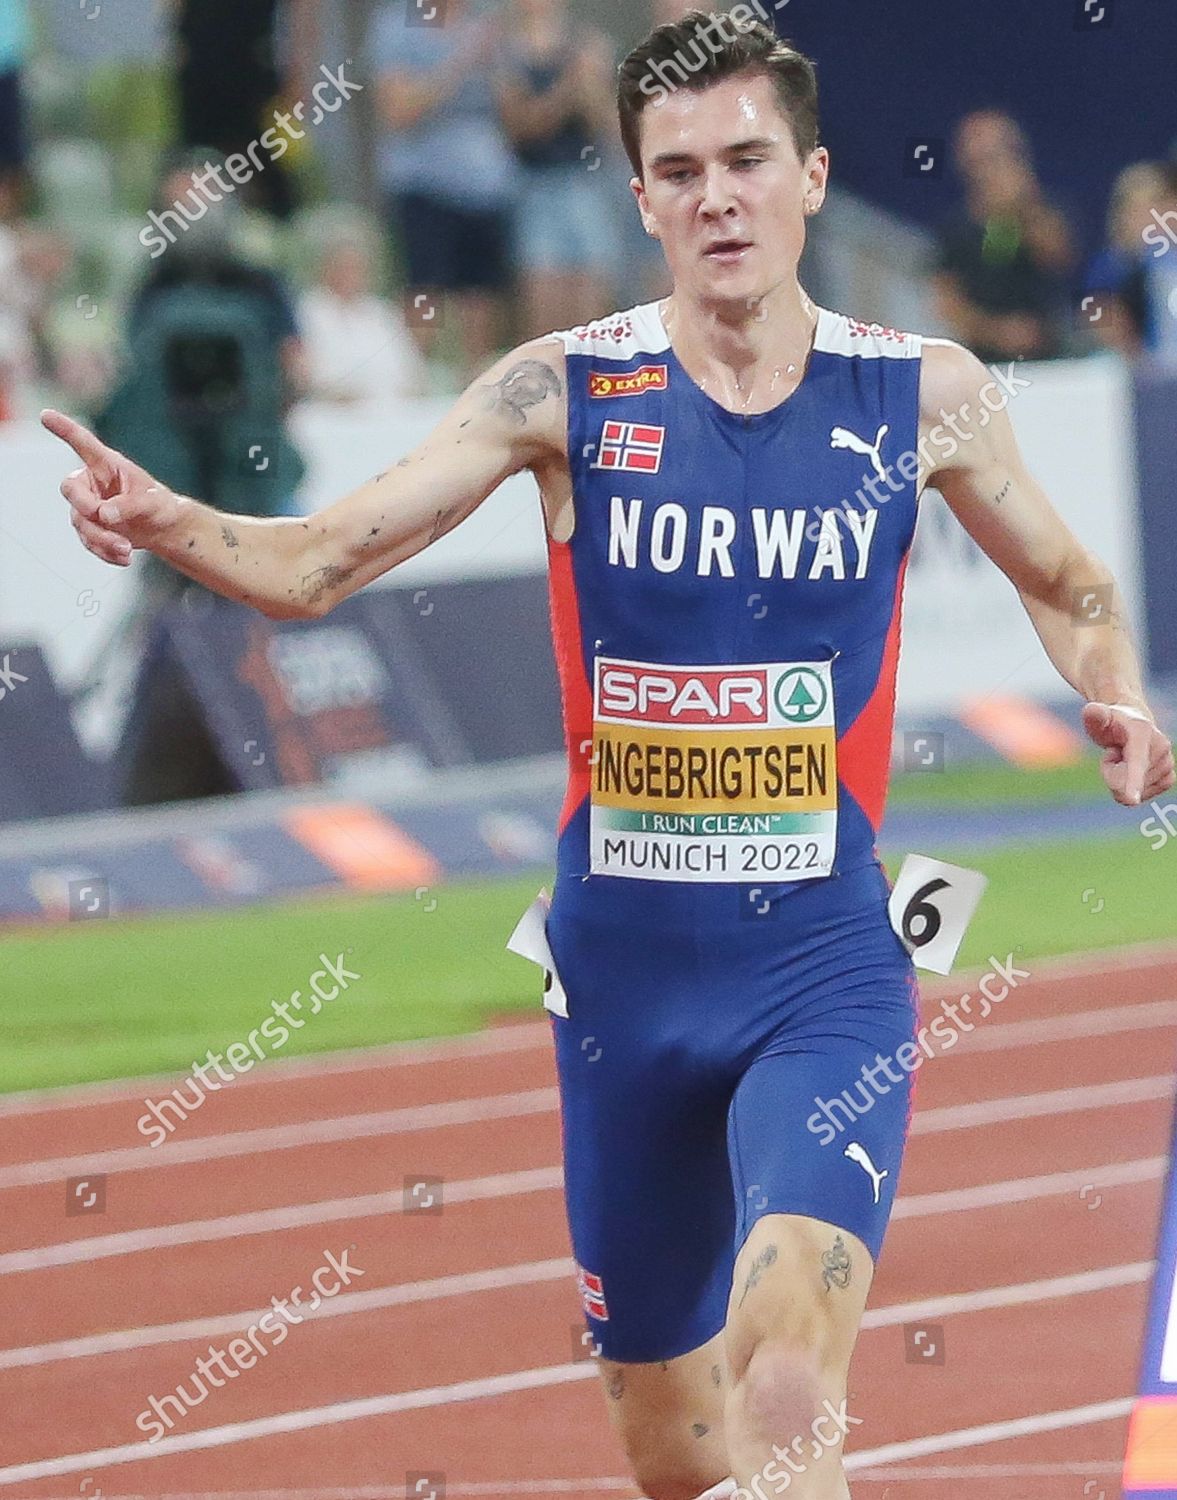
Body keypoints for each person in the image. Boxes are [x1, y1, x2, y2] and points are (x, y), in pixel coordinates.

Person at [44, 14, 1175, 1497]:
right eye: (681, 169)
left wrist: (1115, 690)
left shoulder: (921, 396)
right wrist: (166, 520)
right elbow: (321, 561)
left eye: (748, 162)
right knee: (675, 1455)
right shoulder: (562, 392)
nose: (718, 197)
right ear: (639, 199)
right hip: (622, 984)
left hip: (821, 971)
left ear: (813, 177)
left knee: (783, 1379)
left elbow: (1070, 584)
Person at [368, 0, 517, 384]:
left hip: (487, 185)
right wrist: (461, 60)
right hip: (424, 181)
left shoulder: (487, 19)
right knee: (424, 290)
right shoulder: (399, 24)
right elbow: (398, 109)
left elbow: (513, 110)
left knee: (481, 294)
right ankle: (411, 384)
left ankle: (478, 390)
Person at [497, 0, 618, 338]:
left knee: (591, 296)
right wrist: (568, 87)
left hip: (585, 182)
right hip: (534, 185)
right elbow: (521, 126)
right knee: (543, 298)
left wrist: (591, 82)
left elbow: (603, 123)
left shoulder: (584, 43)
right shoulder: (509, 52)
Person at [933, 109, 1077, 364]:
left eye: (997, 155)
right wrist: (999, 333)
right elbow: (947, 303)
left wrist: (1024, 205)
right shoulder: (956, 228)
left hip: (1051, 357)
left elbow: (1060, 258)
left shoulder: (1043, 212)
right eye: (980, 159)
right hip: (983, 362)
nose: (989, 169)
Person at [297, 228, 427, 405]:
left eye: (356, 268)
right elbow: (308, 370)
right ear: (326, 268)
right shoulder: (309, 311)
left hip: (390, 406)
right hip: (332, 408)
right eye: (343, 267)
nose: (350, 275)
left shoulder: (381, 312)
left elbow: (409, 366)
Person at [1083, 161, 1173, 358]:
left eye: (1156, 208)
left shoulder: (1168, 263)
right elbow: (1101, 323)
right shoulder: (1108, 267)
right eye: (1137, 210)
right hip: (1138, 372)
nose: (1150, 220)